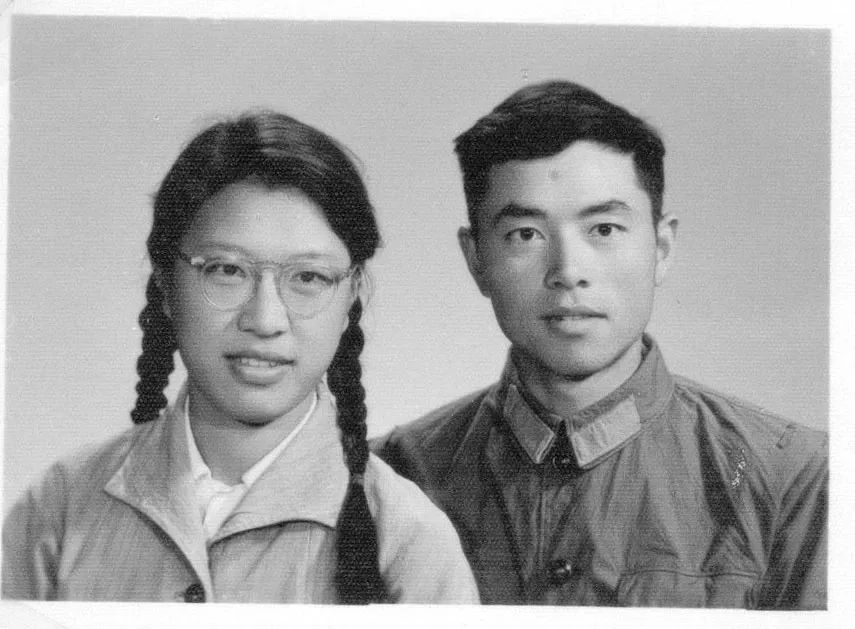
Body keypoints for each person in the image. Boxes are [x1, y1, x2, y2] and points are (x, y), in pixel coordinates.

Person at [374, 81, 827, 608]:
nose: (568, 272)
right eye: (525, 234)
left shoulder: (795, 478)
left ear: (661, 247)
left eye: (605, 229)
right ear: (476, 260)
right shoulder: (391, 475)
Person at [3, 111, 478, 604]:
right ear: (165, 282)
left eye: (308, 277)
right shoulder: (58, 507)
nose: (265, 319)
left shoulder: (411, 543)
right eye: (227, 270)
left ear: (351, 294)